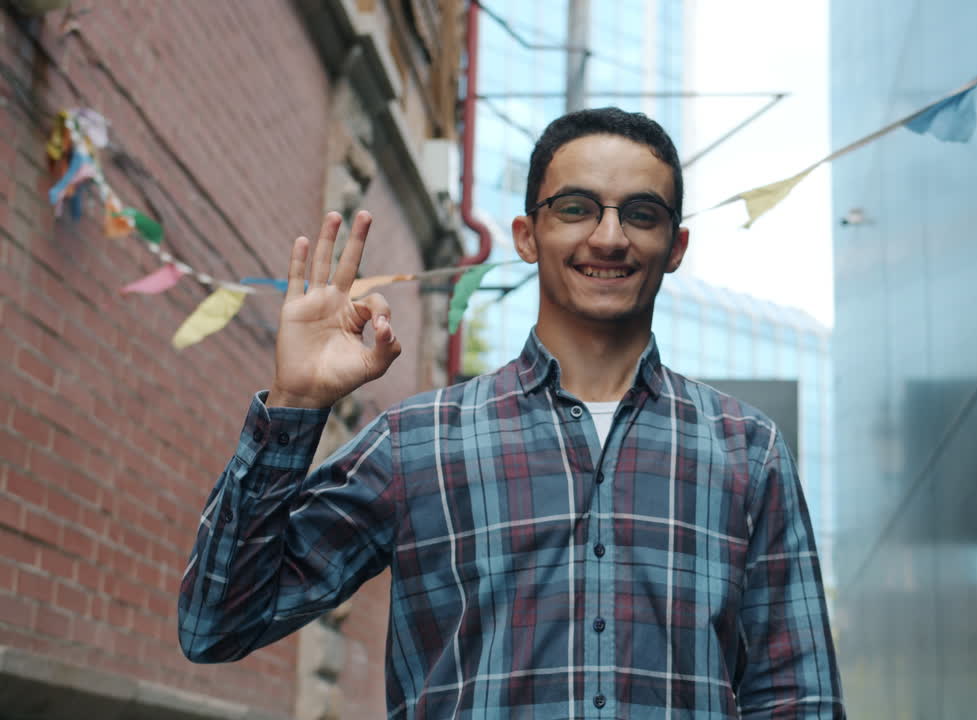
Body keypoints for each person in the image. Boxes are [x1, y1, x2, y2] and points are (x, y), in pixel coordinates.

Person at [179, 107, 844, 719]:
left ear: (675, 246)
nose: (609, 237)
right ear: (528, 235)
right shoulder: (418, 444)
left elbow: (798, 700)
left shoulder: (746, 451)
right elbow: (216, 624)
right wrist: (296, 403)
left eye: (641, 214)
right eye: (577, 208)